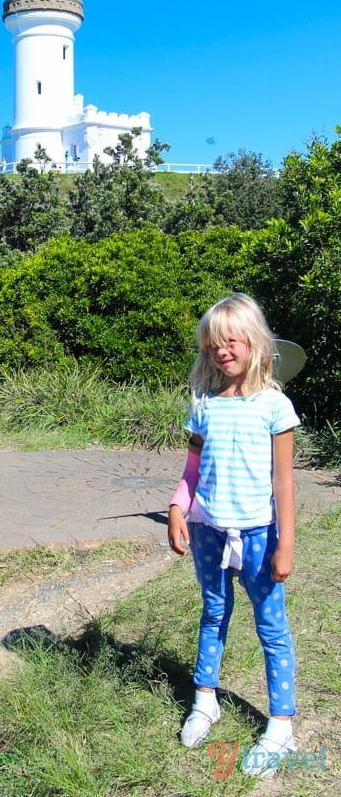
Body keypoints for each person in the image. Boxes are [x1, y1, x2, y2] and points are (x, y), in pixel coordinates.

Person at [167, 293, 300, 778]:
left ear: (254, 342)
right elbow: (191, 469)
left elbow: (284, 480)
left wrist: (286, 541)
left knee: (271, 626)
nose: (221, 351)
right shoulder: (203, 407)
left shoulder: (274, 407)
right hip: (209, 533)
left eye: (230, 341)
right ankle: (206, 699)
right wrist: (178, 506)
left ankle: (281, 723)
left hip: (261, 534)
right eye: (211, 345)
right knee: (214, 611)